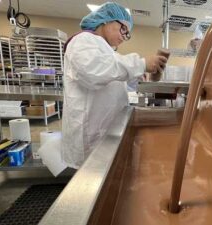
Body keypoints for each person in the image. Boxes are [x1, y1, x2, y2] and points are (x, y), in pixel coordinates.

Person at [61, 2, 168, 169]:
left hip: (104, 131)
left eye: (127, 34)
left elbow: (116, 80)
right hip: (88, 134)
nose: (123, 37)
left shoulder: (107, 50)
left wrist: (142, 74)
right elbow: (93, 72)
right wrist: (140, 64)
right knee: (89, 182)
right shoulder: (82, 41)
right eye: (123, 29)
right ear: (106, 21)